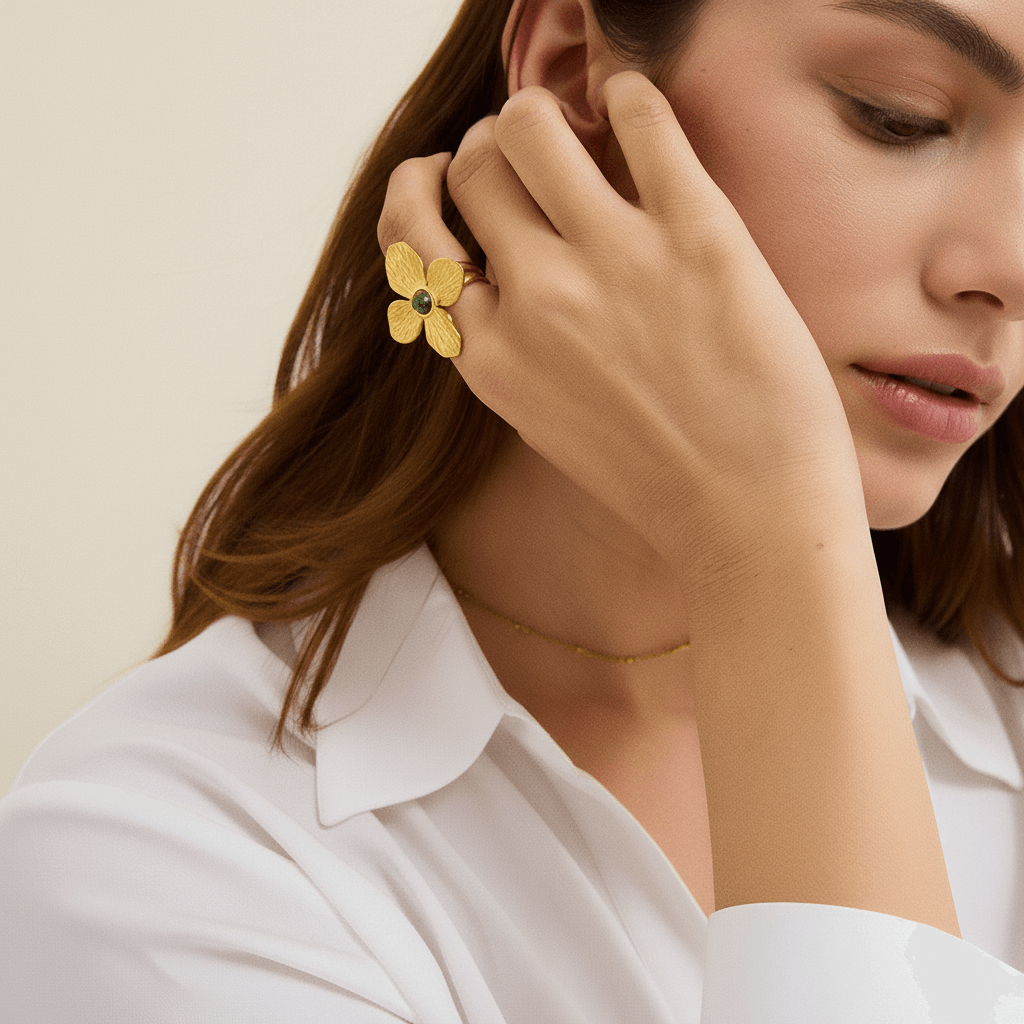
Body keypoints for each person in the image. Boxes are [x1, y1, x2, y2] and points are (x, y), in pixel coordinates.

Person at [2, 0, 1024, 1018]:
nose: (1010, 268)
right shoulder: (163, 860)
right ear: (575, 70)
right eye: (902, 116)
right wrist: (769, 558)